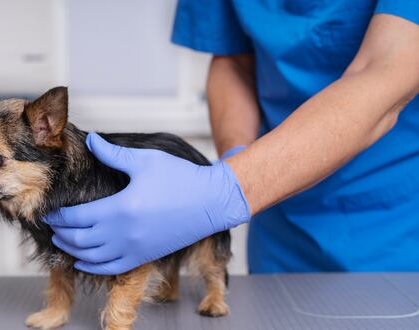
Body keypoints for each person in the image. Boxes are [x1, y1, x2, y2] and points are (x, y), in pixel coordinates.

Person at [44, 0, 419, 275]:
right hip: (279, 227)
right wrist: (237, 157)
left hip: (396, 232)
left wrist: (228, 188)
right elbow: (233, 61)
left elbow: (385, 71)